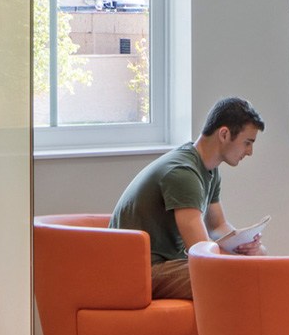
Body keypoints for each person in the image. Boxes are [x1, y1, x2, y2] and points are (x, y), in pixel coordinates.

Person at [110, 96, 265, 300]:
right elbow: (200, 249)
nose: (250, 152)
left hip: (168, 263)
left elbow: (218, 226)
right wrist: (239, 260)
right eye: (247, 142)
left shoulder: (209, 170)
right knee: (236, 277)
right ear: (224, 134)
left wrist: (244, 246)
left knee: (259, 257)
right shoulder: (183, 173)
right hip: (143, 269)